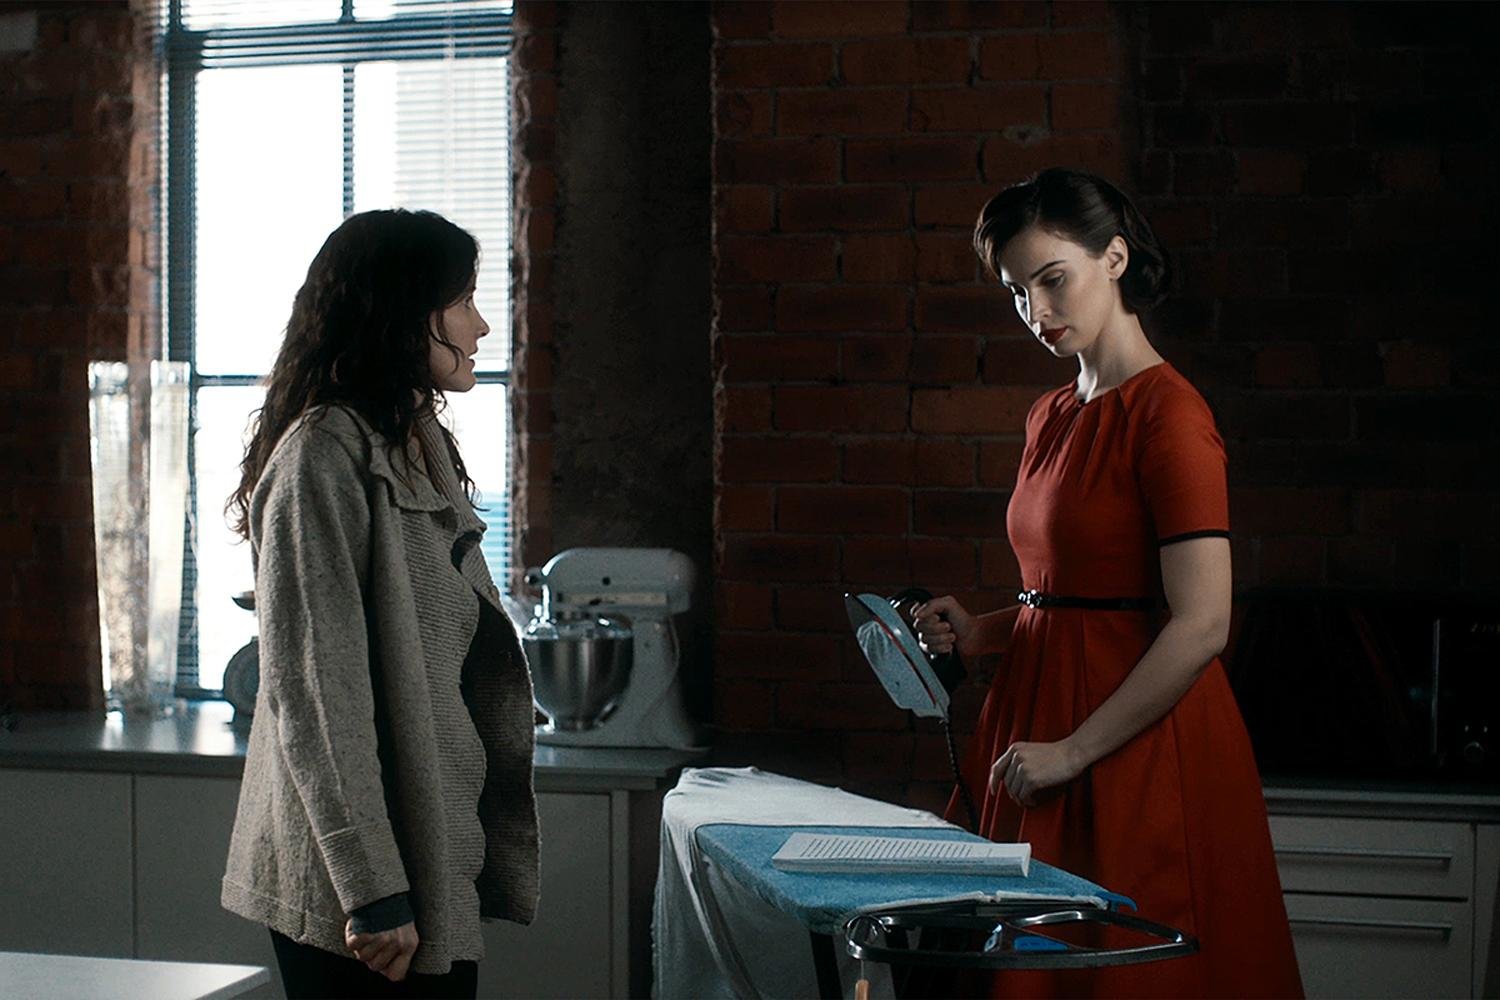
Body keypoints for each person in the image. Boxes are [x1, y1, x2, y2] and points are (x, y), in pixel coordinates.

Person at [912, 167, 1302, 998]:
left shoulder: (1172, 417)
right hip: (1036, 723)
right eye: (1017, 292)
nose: (1037, 311)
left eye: (1053, 279)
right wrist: (982, 632)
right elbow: (1069, 593)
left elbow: (1202, 623)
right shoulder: (1050, 414)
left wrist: (1075, 751)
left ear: (1115, 258)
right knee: (1027, 967)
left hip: (1131, 739)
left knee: (1120, 970)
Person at [220, 209, 539, 999]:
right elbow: (315, 696)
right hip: (360, 884)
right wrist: (372, 890)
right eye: (461, 301)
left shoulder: (410, 440)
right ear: (400, 312)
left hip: (421, 851)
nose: (482, 325)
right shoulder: (321, 458)